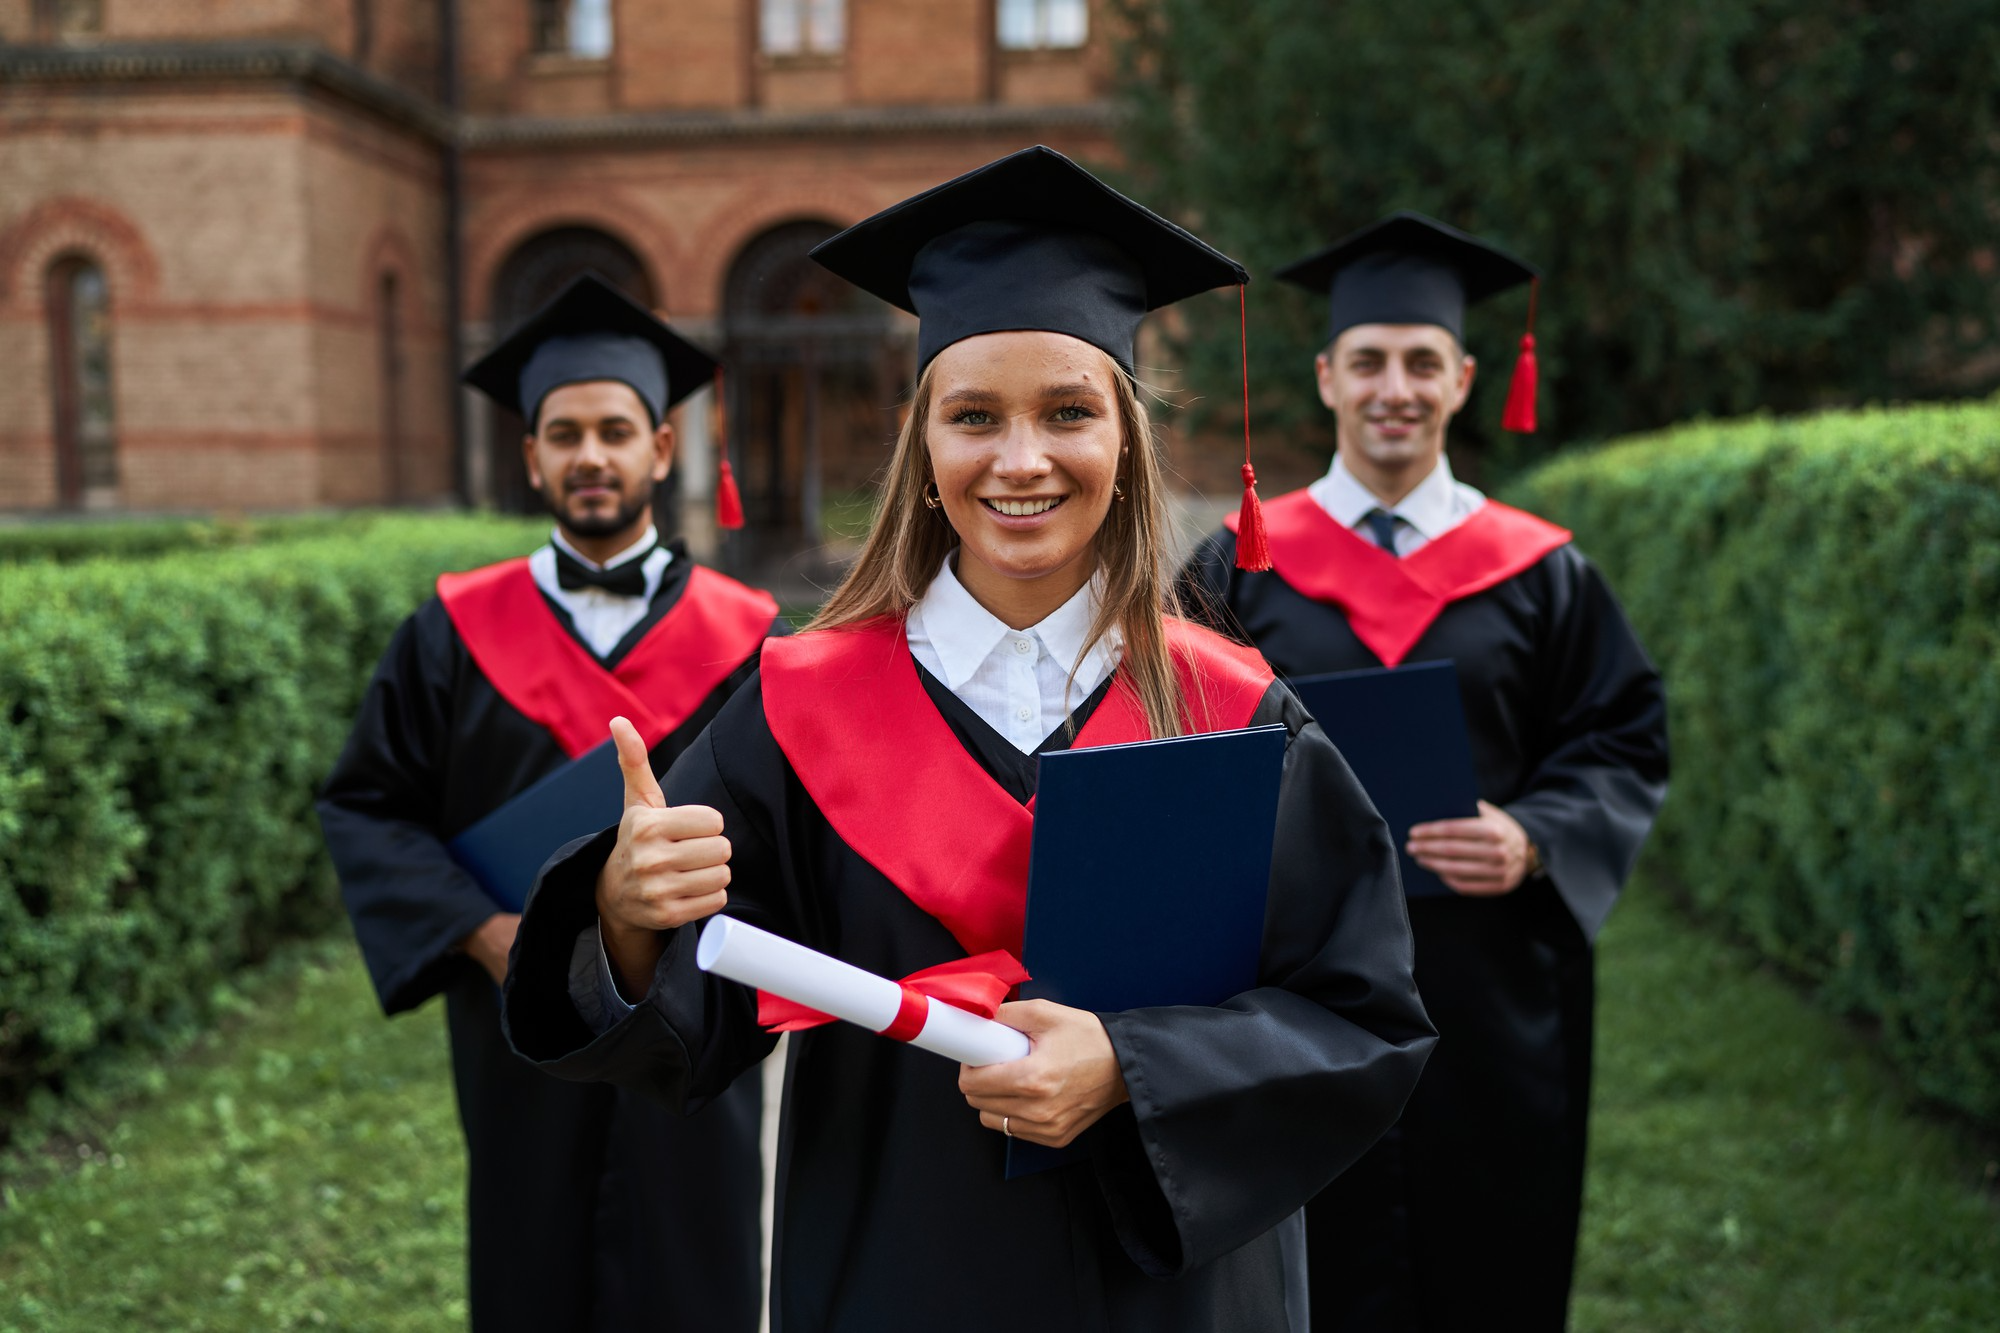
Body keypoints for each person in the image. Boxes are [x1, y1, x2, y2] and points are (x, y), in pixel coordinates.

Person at [501, 146, 1436, 1333]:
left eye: (1067, 413)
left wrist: (1131, 1068)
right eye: (974, 416)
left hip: (1184, 1293)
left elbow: (1361, 1013)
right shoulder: (798, 708)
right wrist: (627, 918)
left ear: (1125, 443)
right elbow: (690, 1018)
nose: (1021, 458)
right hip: (904, 1263)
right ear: (924, 453)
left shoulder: (1235, 708)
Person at [1178, 212, 1671, 1331]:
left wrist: (1538, 833)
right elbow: (1165, 738)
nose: (1391, 387)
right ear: (1324, 379)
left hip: (1489, 979)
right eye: (1367, 362)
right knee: (1310, 1245)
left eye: (1418, 362)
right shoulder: (1237, 566)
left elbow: (1618, 734)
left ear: (1461, 379)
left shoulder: (1541, 572)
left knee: (1490, 1240)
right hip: (1293, 977)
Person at [317, 275, 780, 1333]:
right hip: (514, 1032)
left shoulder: (751, 637)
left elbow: (785, 840)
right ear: (530, 456)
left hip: (685, 1024)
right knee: (531, 1261)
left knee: (691, 1261)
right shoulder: (447, 631)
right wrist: (485, 935)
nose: (589, 456)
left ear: (661, 447)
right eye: (562, 433)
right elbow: (367, 806)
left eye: (614, 430)